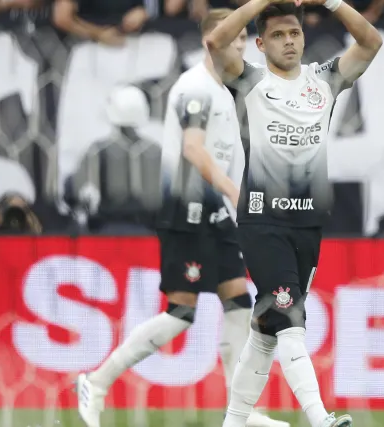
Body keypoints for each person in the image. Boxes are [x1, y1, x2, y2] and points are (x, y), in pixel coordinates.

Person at [74, 9, 288, 427]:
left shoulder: (227, 89)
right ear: (213, 41)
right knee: (180, 313)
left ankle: (239, 414)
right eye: (235, 41)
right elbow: (193, 149)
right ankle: (97, 382)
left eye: (246, 40)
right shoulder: (195, 87)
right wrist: (235, 193)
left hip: (217, 216)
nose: (242, 48)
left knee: (239, 306)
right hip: (188, 215)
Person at [205, 0, 382, 426]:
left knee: (265, 333)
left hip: (307, 224)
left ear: (304, 37)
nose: (289, 42)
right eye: (279, 35)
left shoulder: (326, 79)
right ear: (261, 44)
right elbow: (216, 40)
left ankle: (234, 421)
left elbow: (370, 41)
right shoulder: (248, 80)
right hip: (261, 221)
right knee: (290, 319)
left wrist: (335, 2)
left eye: (295, 33)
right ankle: (320, 419)